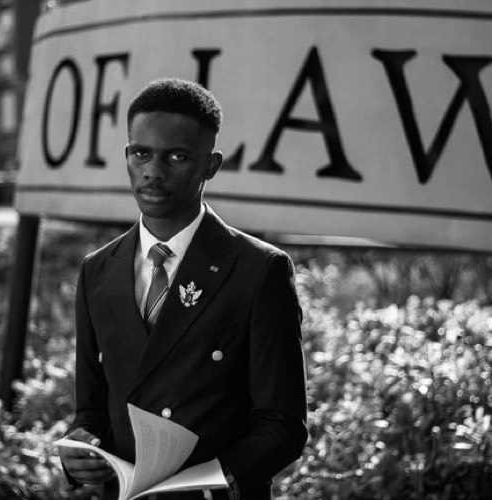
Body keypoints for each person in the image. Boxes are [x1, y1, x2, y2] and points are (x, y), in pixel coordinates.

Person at [59, 78, 307, 500]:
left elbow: (283, 425)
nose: (153, 172)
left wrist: (213, 479)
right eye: (141, 154)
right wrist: (80, 450)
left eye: (176, 157)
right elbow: (92, 410)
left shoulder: (258, 269)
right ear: (127, 156)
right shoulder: (98, 270)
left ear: (211, 166)